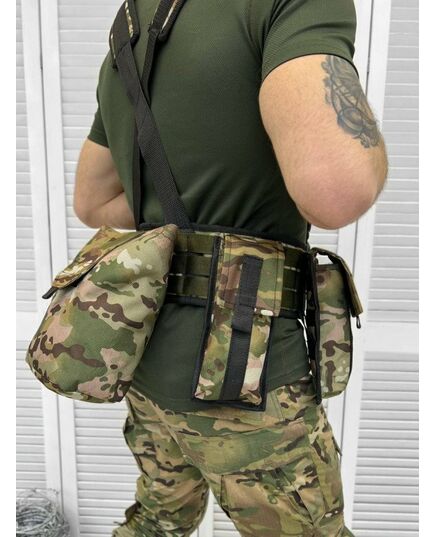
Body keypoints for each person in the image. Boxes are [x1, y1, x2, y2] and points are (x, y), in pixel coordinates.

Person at [74, 0, 388, 535]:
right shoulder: (290, 5)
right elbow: (336, 191)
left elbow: (93, 201)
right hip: (246, 381)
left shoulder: (128, 27)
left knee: (156, 523)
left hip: (147, 364)